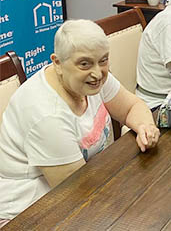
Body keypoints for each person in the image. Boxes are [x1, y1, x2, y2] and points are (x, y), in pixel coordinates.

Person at [0, 20, 159, 227]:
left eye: (103, 60)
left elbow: (131, 107)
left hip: (88, 186)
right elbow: (76, 196)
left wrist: (146, 126)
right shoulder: (47, 116)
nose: (97, 73)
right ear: (57, 63)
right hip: (30, 214)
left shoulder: (93, 78)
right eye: (84, 64)